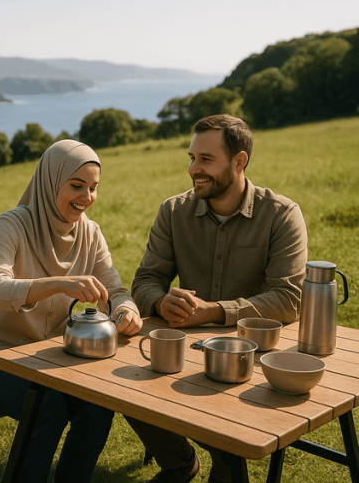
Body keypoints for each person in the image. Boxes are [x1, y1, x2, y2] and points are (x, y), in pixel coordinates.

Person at [126, 114, 308, 483]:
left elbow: (289, 298)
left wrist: (216, 312)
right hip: (184, 347)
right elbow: (146, 280)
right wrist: (161, 303)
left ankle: (225, 462)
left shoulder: (282, 215)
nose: (194, 169)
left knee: (225, 431)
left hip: (252, 356)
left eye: (206, 160)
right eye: (192, 158)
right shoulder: (173, 211)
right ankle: (179, 462)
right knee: (119, 386)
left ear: (239, 161)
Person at [0, 140, 142, 483]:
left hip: (49, 359)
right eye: (76, 186)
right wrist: (59, 283)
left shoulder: (91, 233)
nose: (86, 197)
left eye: (93, 188)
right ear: (49, 181)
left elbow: (115, 290)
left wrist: (126, 308)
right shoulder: (10, 224)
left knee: (99, 404)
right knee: (47, 404)